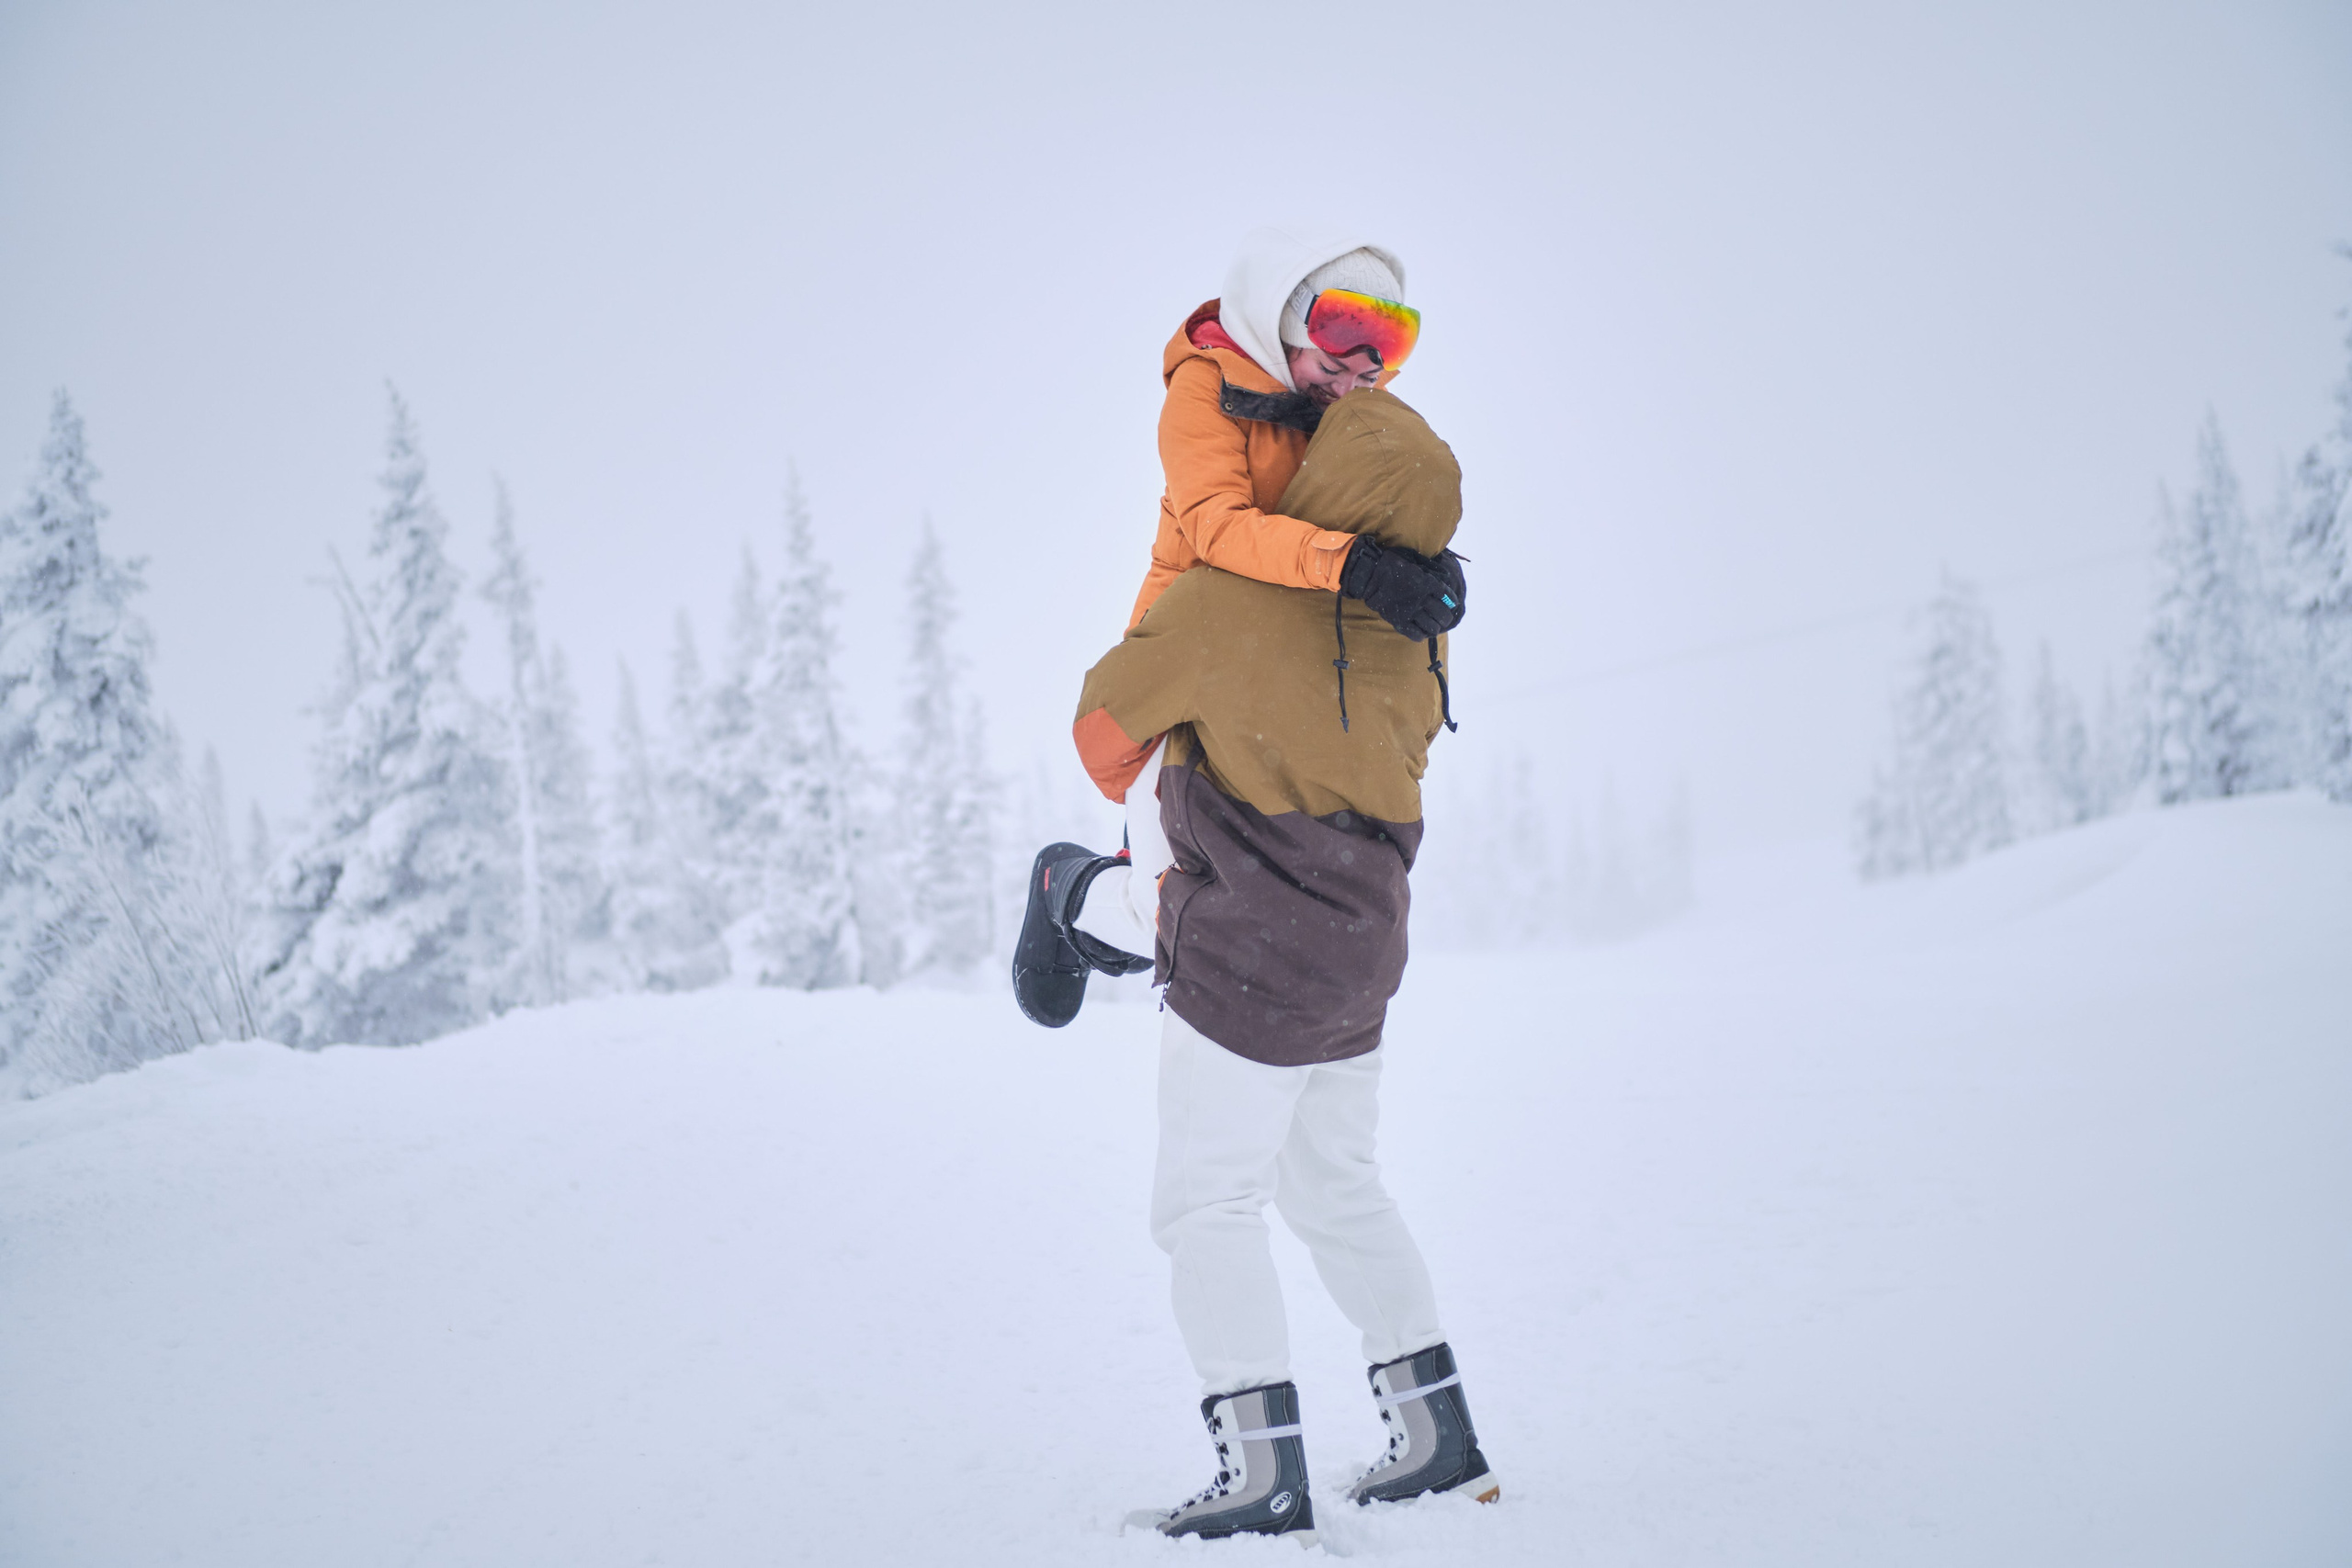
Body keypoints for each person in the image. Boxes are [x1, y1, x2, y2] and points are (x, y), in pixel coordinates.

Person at [1016, 381, 1496, 1544]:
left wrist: (1195, 616)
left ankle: (1257, 1472)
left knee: (1205, 1204)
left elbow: (1101, 737)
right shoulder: (1418, 627)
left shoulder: (1231, 602)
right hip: (1360, 953)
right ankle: (1439, 1437)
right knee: (1339, 1189)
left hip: (1247, 951)